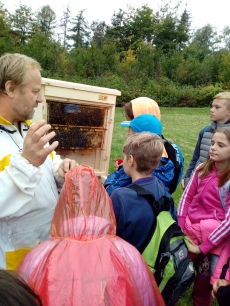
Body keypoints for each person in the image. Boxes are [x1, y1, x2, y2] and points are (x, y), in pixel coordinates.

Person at [17, 165, 165, 306]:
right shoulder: (127, 254)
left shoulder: (38, 257)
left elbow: (20, 298)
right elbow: (144, 298)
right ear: (101, 199)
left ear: (64, 203)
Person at [0, 53, 77, 270]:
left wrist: (60, 170)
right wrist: (26, 163)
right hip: (14, 262)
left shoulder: (27, 128)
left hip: (46, 248)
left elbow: (49, 164)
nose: (40, 99)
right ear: (10, 88)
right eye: (35, 91)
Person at [178, 127, 230, 306]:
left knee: (204, 279)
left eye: (220, 145)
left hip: (212, 240)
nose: (213, 147)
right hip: (189, 230)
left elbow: (229, 223)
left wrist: (203, 248)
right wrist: (181, 223)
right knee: (177, 267)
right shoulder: (202, 168)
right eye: (213, 143)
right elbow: (186, 197)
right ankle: (170, 296)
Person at [110, 132, 171, 252]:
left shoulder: (120, 196)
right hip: (153, 260)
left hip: (126, 260)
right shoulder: (162, 187)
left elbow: (108, 234)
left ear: (131, 160)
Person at [104, 114, 174, 195]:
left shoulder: (136, 174)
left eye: (130, 134)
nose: (128, 137)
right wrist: (123, 166)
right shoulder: (160, 164)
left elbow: (110, 191)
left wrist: (108, 183)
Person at [182, 92, 230, 189]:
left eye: (217, 107)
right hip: (196, 182)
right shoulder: (205, 131)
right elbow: (195, 158)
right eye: (212, 106)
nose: (211, 110)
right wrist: (186, 177)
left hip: (218, 187)